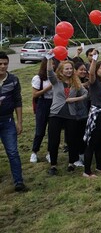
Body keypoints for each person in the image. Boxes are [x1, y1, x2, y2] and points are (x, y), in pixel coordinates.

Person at [46, 57, 88, 176]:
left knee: (71, 140)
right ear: (61, 70)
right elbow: (49, 72)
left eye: (71, 68)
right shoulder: (56, 81)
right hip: (56, 114)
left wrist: (75, 99)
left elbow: (85, 94)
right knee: (54, 140)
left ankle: (71, 162)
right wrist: (49, 59)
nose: (69, 71)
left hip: (71, 114)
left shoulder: (76, 82)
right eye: (67, 69)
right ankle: (53, 165)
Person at [0, 52, 26, 191]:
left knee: (13, 151)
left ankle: (18, 182)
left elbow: (18, 101)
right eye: (0, 64)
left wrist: (19, 122)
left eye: (5, 64)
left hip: (7, 120)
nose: (3, 66)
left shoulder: (13, 80)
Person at [30, 58, 55, 164]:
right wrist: (48, 88)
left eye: (54, 64)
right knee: (40, 130)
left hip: (54, 104)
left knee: (52, 131)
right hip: (43, 104)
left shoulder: (55, 77)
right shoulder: (38, 78)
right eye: (51, 64)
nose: (53, 66)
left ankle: (50, 152)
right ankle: (34, 152)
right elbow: (35, 94)